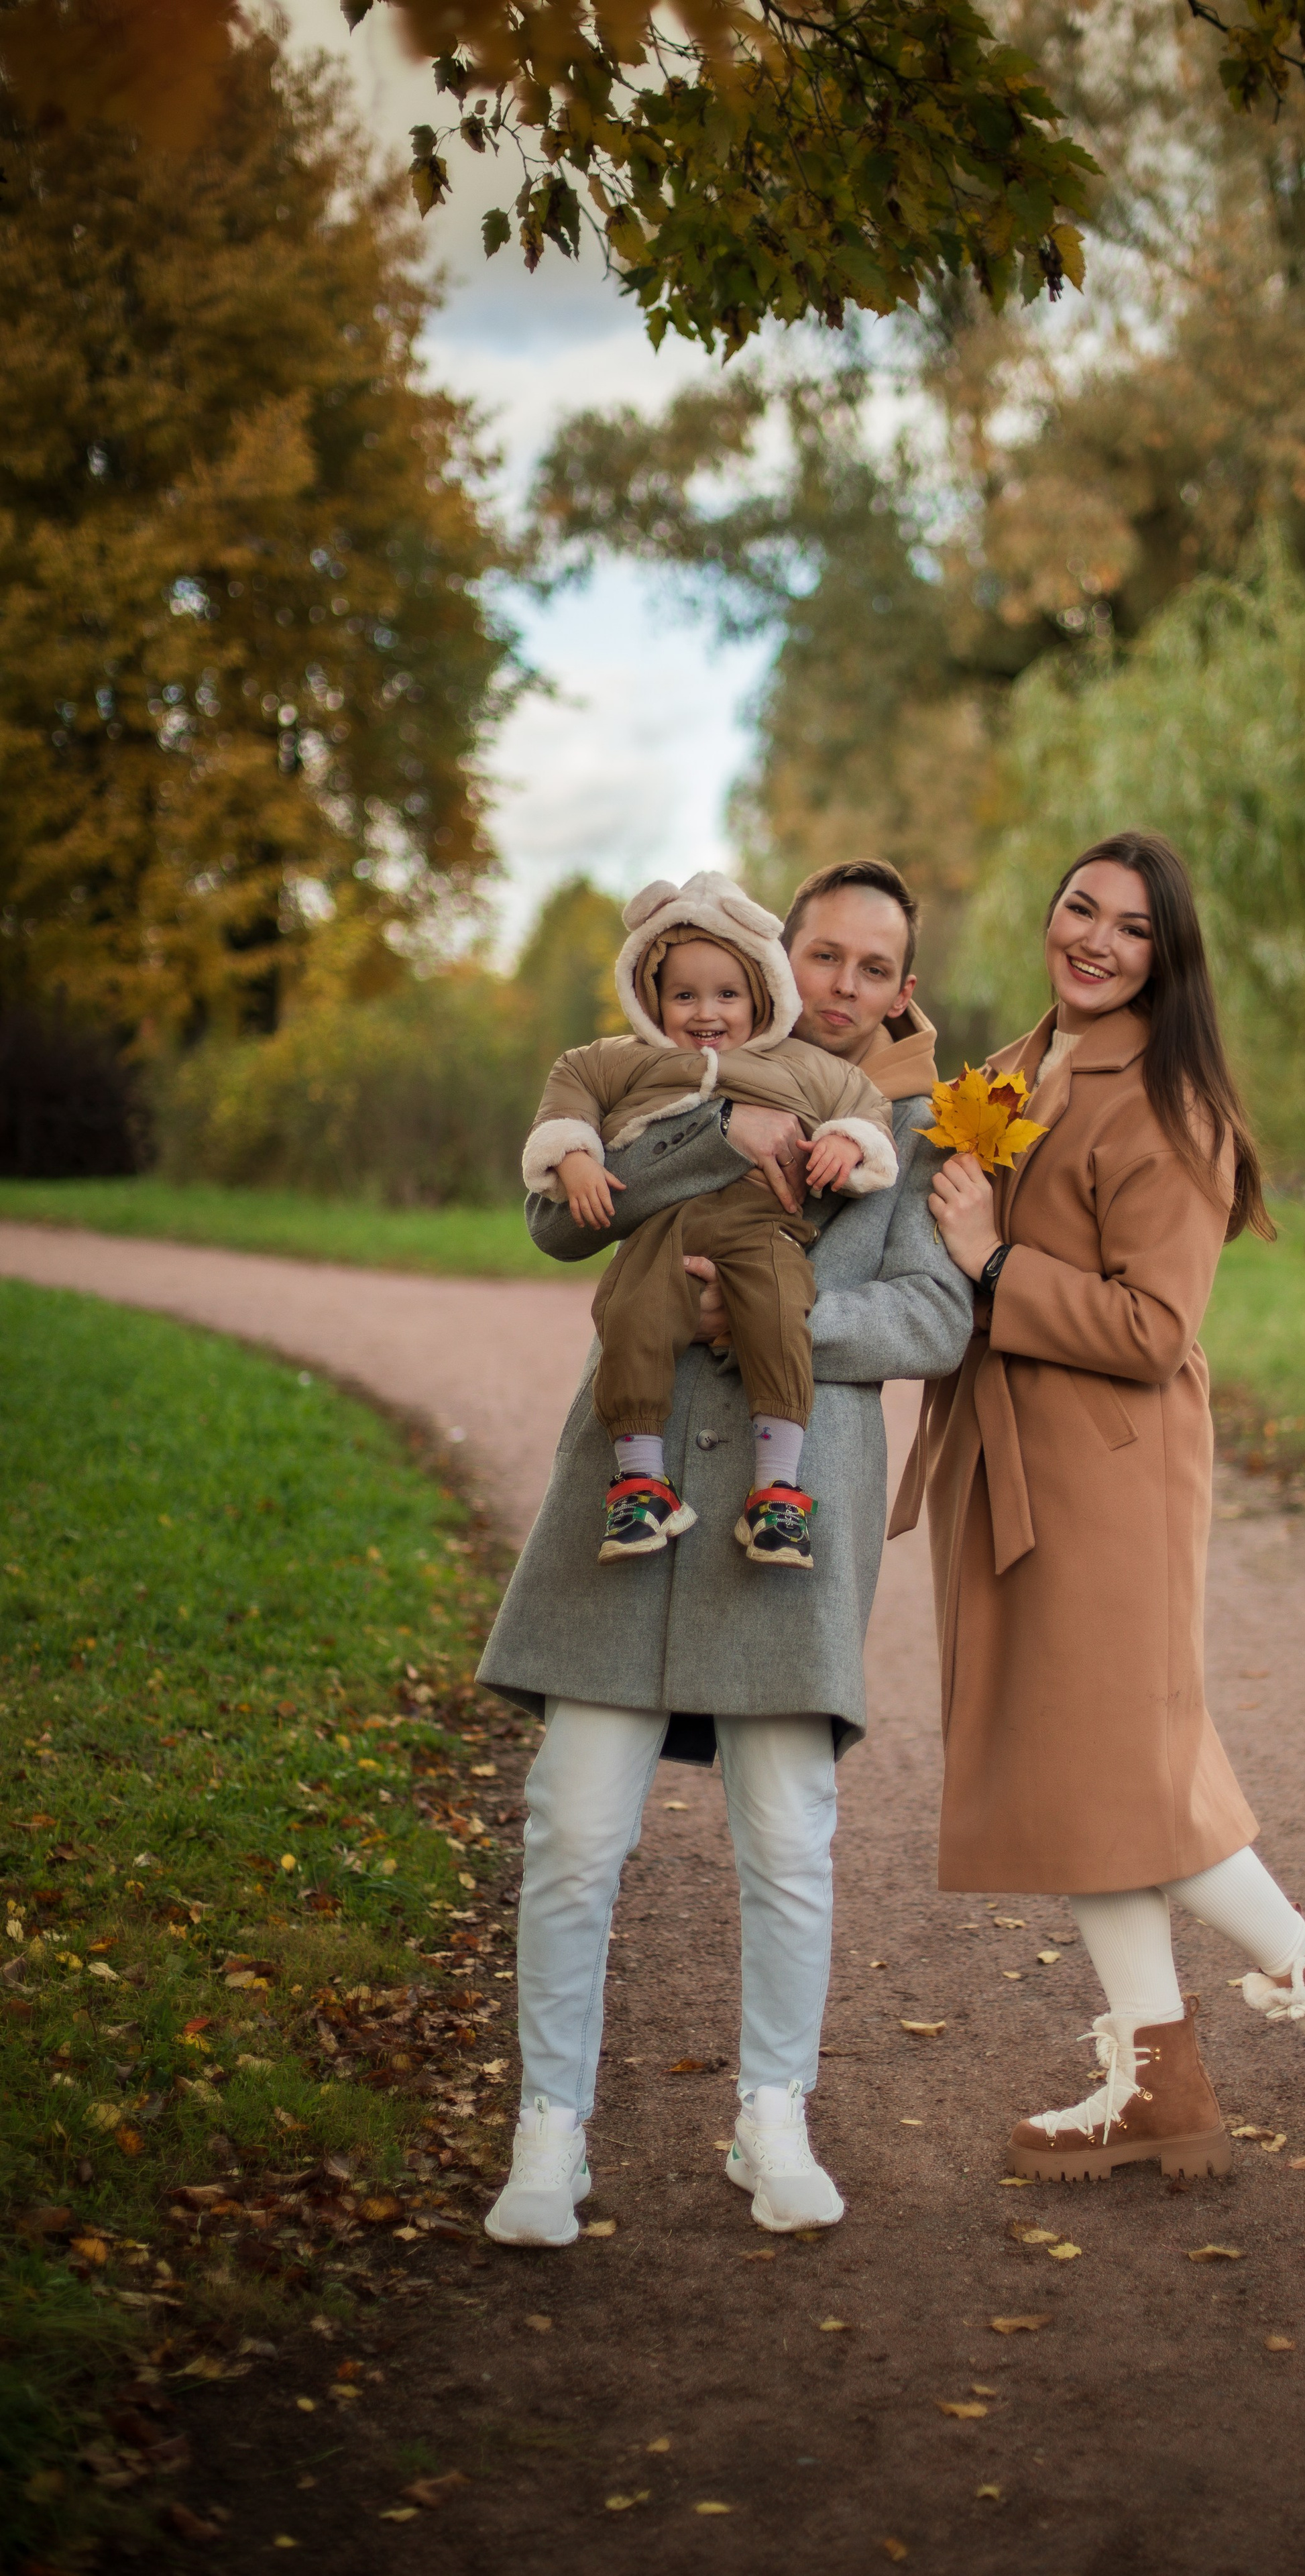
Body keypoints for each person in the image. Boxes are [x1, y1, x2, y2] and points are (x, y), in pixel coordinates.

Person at [895, 829, 1305, 2182]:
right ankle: (1159, 2075)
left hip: (1106, 1479)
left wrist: (991, 1260)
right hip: (1006, 1467)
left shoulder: (1169, 1107)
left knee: (1120, 1773)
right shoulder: (1013, 1069)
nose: (1092, 939)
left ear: (1162, 958)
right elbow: (926, 1133)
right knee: (1080, 1784)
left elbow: (1149, 1327)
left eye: (1128, 928)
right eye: (1078, 907)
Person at [477, 858, 972, 2244]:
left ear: (899, 990)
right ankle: (548, 2135)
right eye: (825, 956)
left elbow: (935, 1320)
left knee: (786, 1836)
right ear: (778, 954)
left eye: (875, 970)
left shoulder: (913, 1130)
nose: (844, 988)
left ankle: (773, 2116)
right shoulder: (664, 1066)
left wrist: (769, 1331)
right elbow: (544, 1221)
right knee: (574, 1823)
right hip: (620, 1503)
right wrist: (715, 1131)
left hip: (787, 1504)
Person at [520, 871, 898, 1570]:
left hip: (762, 1226)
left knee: (780, 1303)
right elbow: (570, 1090)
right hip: (663, 1231)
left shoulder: (804, 1067)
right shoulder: (627, 1061)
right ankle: (638, 1480)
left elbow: (862, 1105)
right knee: (629, 1308)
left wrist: (848, 1142)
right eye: (683, 995)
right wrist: (573, 1152)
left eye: (727, 995)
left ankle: (779, 1490)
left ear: (760, 993)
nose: (706, 1013)